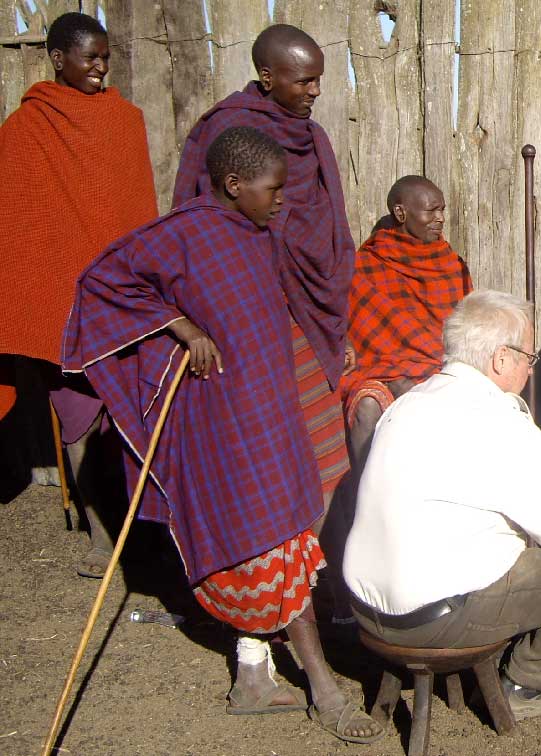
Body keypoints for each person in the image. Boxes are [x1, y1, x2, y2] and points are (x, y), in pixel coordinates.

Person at [62, 127, 382, 743]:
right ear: (233, 185)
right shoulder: (182, 234)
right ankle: (323, 687)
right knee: (267, 537)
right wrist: (178, 324)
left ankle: (252, 671)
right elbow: (101, 281)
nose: (282, 200)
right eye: (272, 189)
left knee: (280, 529)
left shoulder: (255, 232)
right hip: (223, 417)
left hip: (270, 404)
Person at [343, 290, 541, 720]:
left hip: (366, 610)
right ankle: (530, 684)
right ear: (501, 358)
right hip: (433, 619)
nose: (528, 369)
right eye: (528, 358)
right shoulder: (497, 420)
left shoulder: (408, 404)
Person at [0, 11, 158, 576]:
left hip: (120, 302)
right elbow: (20, 226)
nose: (99, 67)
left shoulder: (124, 122)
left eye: (105, 57)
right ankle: (98, 531)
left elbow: (132, 221)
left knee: (131, 412)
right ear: (57, 58)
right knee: (78, 418)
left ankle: (142, 527)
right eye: (89, 57)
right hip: (60, 305)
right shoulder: (24, 131)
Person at [173, 23, 355, 510]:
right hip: (248, 314)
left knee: (323, 444)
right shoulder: (227, 130)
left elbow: (326, 228)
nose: (315, 91)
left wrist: (338, 326)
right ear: (267, 76)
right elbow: (200, 232)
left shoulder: (312, 137)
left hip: (308, 313)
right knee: (266, 447)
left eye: (318, 79)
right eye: (303, 81)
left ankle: (318, 567)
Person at [343, 175, 471, 470]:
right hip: (377, 370)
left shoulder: (451, 264)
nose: (440, 218)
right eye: (431, 211)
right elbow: (357, 329)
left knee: (428, 399)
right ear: (401, 213)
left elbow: (465, 330)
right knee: (366, 406)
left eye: (442, 210)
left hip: (439, 366)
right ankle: (370, 498)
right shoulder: (367, 264)